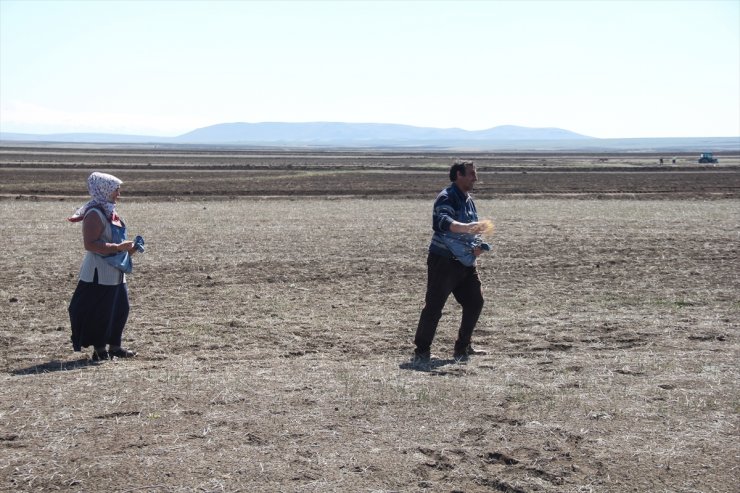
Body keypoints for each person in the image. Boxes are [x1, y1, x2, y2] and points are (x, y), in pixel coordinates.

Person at [413, 160, 490, 366]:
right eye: (472, 174)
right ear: (458, 175)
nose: (475, 178)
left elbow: (469, 232)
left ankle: (463, 347)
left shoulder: (468, 200)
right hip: (444, 262)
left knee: (475, 301)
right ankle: (422, 351)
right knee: (434, 306)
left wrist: (477, 247)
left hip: (465, 262)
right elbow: (442, 223)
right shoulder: (446, 197)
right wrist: (467, 227)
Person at [68, 172, 139, 361]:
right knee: (100, 312)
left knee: (120, 309)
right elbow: (90, 244)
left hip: (115, 272)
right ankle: (99, 350)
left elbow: (114, 240)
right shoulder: (94, 214)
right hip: (98, 274)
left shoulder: (109, 211)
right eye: (116, 190)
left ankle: (115, 346)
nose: (119, 194)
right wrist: (118, 247)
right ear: (104, 190)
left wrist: (129, 250)